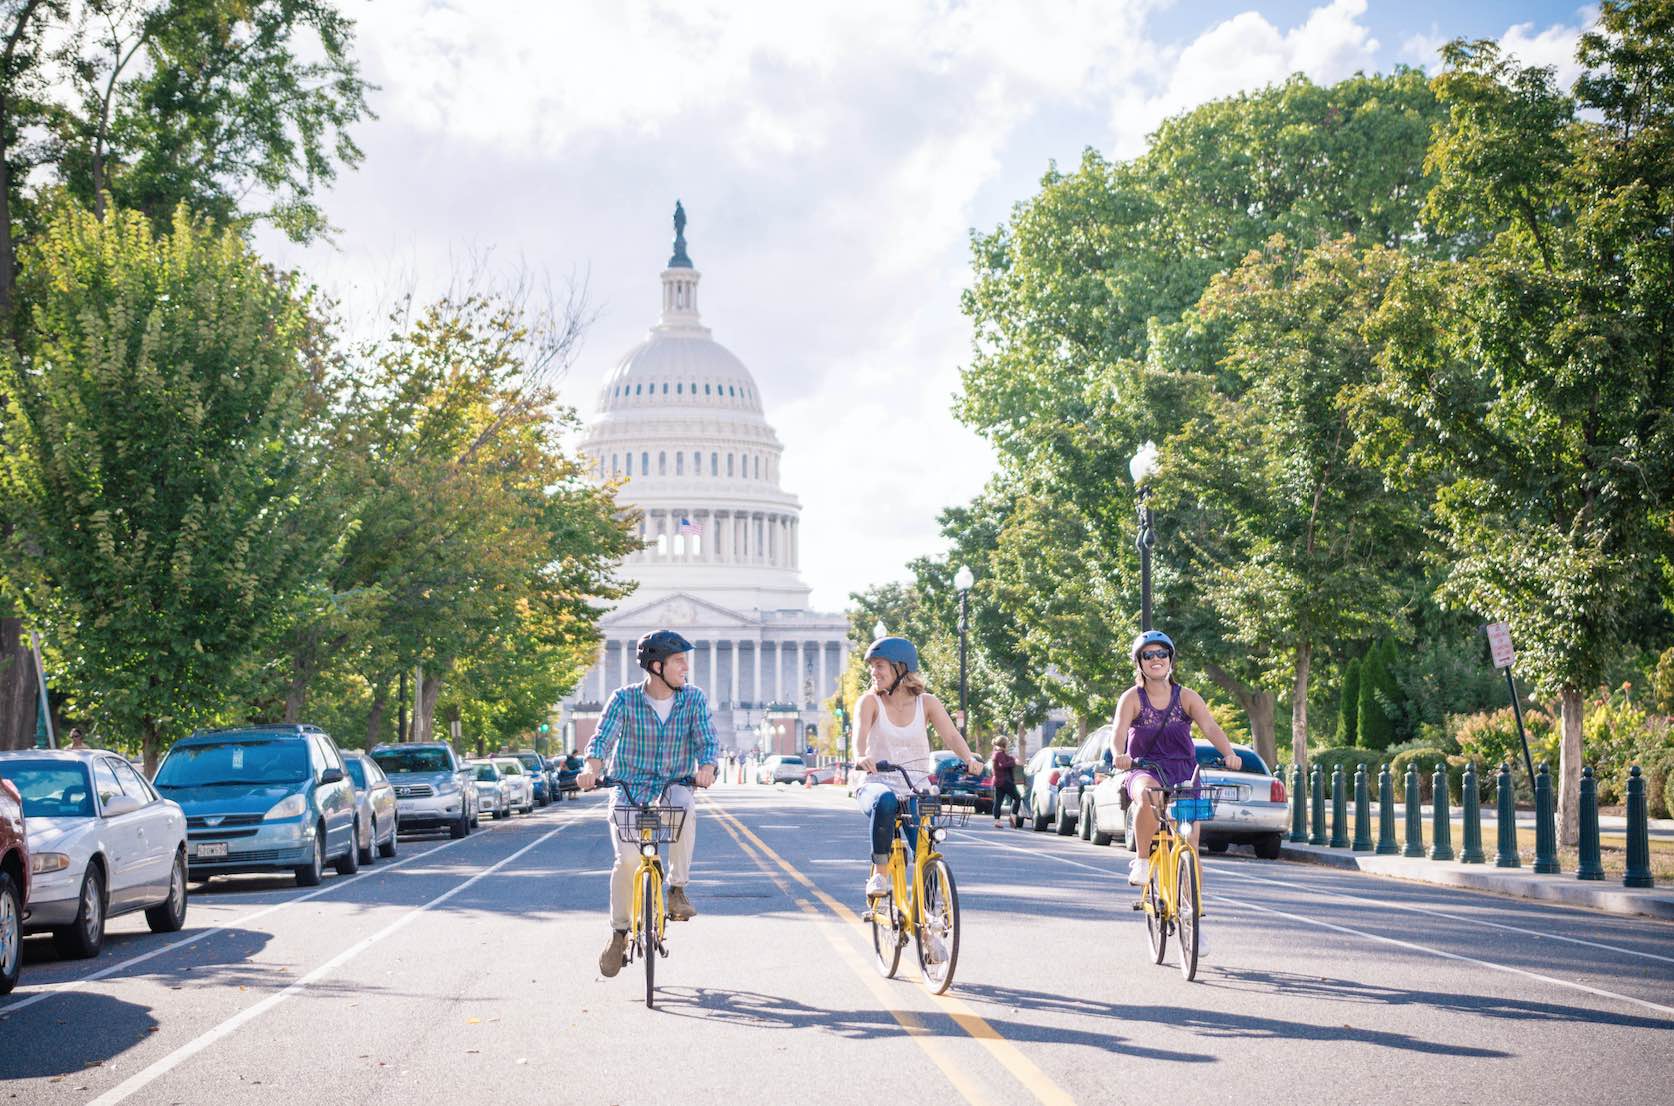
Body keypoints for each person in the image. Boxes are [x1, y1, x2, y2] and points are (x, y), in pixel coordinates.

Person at [577, 629, 718, 978]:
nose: (686, 667)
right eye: (678, 660)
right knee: (626, 860)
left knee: (685, 807)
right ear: (657, 666)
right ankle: (619, 933)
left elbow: (707, 740)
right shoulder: (624, 700)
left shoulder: (693, 699)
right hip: (629, 788)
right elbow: (602, 738)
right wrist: (591, 769)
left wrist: (707, 768)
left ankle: (677, 889)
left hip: (673, 785)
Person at [853, 636, 984, 898]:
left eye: (879, 665)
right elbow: (860, 734)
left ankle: (929, 913)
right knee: (885, 801)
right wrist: (860, 756)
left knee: (925, 851)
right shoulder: (869, 702)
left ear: (900, 668)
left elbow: (952, 736)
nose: (873, 672)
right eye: (872, 666)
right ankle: (880, 874)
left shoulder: (927, 703)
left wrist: (969, 759)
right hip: (877, 783)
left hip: (916, 788)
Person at [1112, 630, 1240, 891]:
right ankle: (1142, 860)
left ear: (1170, 659)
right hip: (1145, 768)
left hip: (1183, 772)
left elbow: (1210, 727)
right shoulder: (1132, 698)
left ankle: (1193, 908)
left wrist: (1229, 753)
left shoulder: (1187, 697)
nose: (1156, 659)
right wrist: (1119, 755)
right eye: (1148, 655)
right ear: (1139, 663)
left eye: (1161, 654)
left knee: (1190, 842)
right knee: (1149, 795)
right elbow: (1119, 732)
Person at [989, 736, 1021, 827]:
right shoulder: (999, 754)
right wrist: (1013, 762)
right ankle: (1013, 816)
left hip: (998, 781)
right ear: (1004, 744)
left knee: (998, 801)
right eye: (1007, 744)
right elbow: (1003, 764)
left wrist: (1012, 759)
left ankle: (997, 821)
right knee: (1017, 798)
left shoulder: (998, 753)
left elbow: (1007, 760)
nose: (1008, 745)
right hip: (1005, 781)